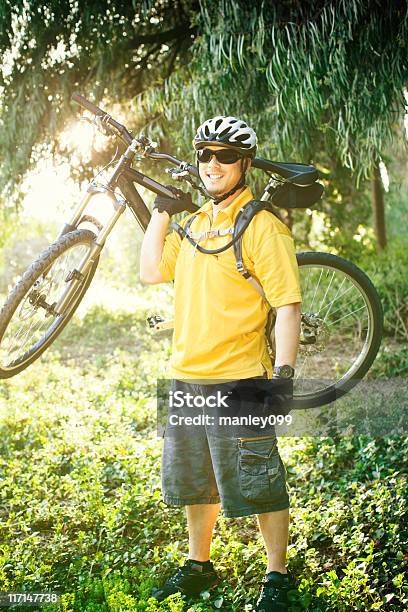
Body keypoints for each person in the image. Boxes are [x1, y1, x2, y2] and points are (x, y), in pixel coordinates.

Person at [139, 115, 302, 611]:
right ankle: (199, 566)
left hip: (241, 378)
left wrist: (285, 377)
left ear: (244, 164)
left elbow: (288, 306)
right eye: (205, 154)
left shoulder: (262, 226)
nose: (213, 163)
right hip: (187, 372)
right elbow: (150, 271)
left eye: (225, 155)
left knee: (259, 478)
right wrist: (162, 213)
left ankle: (277, 576)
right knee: (196, 480)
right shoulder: (192, 226)